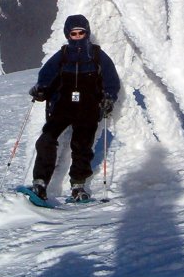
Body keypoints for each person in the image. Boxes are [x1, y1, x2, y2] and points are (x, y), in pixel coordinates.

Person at [28, 14, 120, 201]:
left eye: (81, 32)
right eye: (74, 33)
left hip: (88, 108)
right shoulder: (62, 56)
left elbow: (111, 80)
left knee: (82, 146)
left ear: (87, 33)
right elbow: (45, 75)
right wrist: (41, 89)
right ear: (68, 35)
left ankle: (78, 186)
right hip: (63, 107)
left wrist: (109, 98)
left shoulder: (96, 55)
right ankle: (40, 183)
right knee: (46, 139)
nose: (78, 36)